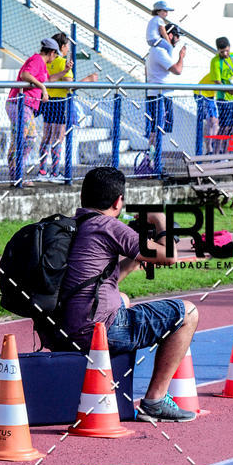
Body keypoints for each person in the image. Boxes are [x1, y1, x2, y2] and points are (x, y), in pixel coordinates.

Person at [61, 167, 198, 423]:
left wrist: (134, 260)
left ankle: (110, 387)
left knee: (121, 298)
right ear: (117, 201)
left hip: (65, 327)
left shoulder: (75, 224)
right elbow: (169, 255)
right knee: (188, 312)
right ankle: (155, 400)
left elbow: (103, 280)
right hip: (98, 330)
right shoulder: (109, 225)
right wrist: (158, 219)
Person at [38, 31, 98, 181]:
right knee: (58, 137)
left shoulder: (47, 61)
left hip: (47, 100)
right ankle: (55, 172)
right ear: (62, 47)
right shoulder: (61, 62)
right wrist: (89, 79)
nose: (68, 50)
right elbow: (70, 87)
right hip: (60, 102)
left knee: (46, 136)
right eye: (67, 47)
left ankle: (42, 171)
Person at [6, 38, 60, 186]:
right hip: (19, 104)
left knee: (24, 139)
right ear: (52, 52)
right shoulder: (37, 60)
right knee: (26, 138)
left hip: (24, 105)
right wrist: (42, 88)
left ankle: (16, 176)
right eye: (56, 55)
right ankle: (17, 176)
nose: (55, 58)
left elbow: (47, 80)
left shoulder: (42, 64)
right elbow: (25, 75)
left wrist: (65, 71)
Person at [145, 24, 186, 164]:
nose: (178, 40)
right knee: (156, 130)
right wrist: (181, 57)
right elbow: (177, 70)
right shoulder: (159, 51)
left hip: (161, 95)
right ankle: (151, 162)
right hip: (159, 96)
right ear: (169, 36)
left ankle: (153, 161)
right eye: (177, 36)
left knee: (158, 131)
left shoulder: (158, 50)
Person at [210, 37, 233, 151]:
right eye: (222, 51)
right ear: (218, 50)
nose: (225, 53)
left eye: (227, 50)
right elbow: (218, 82)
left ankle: (226, 152)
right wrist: (232, 91)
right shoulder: (215, 61)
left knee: (232, 128)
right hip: (223, 98)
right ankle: (216, 153)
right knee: (224, 127)